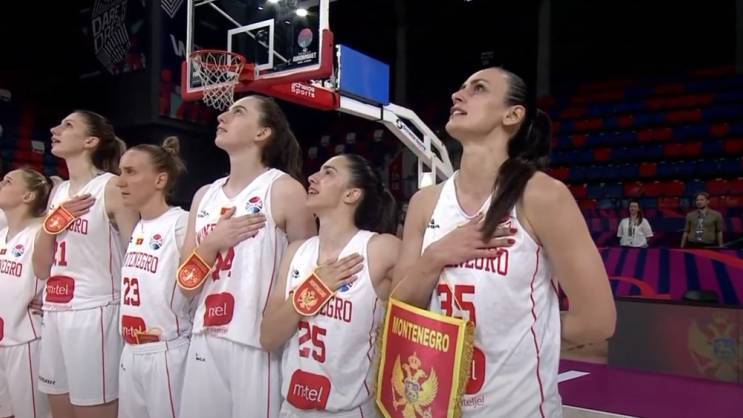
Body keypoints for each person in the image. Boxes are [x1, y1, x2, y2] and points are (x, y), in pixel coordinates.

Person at [391, 67, 616, 417]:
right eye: (461, 87)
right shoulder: (425, 202)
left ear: (512, 115)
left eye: (478, 88)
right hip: (437, 406)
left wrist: (514, 335)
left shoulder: (542, 195)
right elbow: (399, 309)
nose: (457, 95)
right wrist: (436, 256)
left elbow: (598, 320)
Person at [179, 95, 316, 418]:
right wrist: (212, 244)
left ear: (262, 133)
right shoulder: (204, 195)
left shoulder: (284, 190)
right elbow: (185, 285)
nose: (222, 117)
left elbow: (306, 268)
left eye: (238, 112)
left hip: (257, 341)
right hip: (204, 335)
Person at [261, 154, 400, 417]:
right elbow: (268, 337)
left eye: (329, 172)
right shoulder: (296, 251)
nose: (312, 178)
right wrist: (314, 289)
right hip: (292, 408)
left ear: (352, 194)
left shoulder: (380, 249)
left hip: (350, 409)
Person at [32, 110, 139, 418]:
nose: (55, 129)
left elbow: (134, 255)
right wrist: (50, 226)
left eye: (68, 125)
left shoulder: (112, 187)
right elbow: (41, 269)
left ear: (90, 141)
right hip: (54, 311)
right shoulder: (58, 191)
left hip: (95, 311)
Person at [116, 137, 192, 418]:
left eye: (131, 172)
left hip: (166, 351)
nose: (120, 181)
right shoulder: (138, 226)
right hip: (130, 350)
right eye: (121, 172)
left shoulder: (181, 223)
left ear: (160, 180)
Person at [0, 168, 52, 418]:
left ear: (28, 196)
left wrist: (50, 300)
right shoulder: (2, 234)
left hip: (26, 339)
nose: (1, 183)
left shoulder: (41, 233)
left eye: (8, 181)